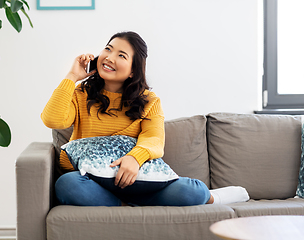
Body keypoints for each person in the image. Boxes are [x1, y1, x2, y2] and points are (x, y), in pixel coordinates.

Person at [41, 31, 249, 206]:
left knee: (190, 191)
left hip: (139, 179)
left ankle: (214, 197)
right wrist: (71, 77)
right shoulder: (81, 94)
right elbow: (52, 120)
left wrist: (134, 158)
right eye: (108, 48)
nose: (110, 57)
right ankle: (123, 205)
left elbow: (154, 140)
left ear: (133, 70)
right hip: (93, 181)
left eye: (122, 55)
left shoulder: (149, 101)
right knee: (67, 184)